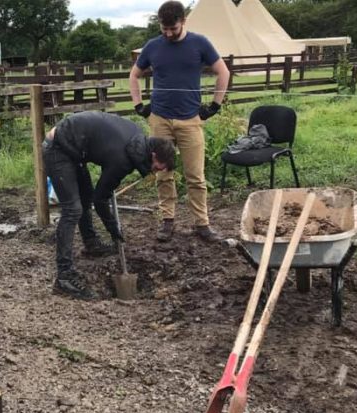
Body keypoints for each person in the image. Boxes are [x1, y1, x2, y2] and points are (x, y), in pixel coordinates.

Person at [43, 112, 176, 299]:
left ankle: (91, 244)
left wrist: (112, 226)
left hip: (74, 149)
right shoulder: (123, 159)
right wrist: (113, 228)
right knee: (73, 209)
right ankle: (64, 276)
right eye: (157, 168)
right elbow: (101, 199)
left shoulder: (137, 137)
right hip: (58, 147)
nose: (155, 172)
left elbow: (99, 194)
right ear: (153, 155)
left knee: (85, 198)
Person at [128, 0, 230, 243]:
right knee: (163, 173)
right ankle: (167, 221)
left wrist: (215, 106)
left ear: (183, 22)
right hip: (160, 119)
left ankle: (202, 224)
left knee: (196, 175)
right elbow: (134, 75)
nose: (168, 33)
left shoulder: (200, 43)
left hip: (190, 120)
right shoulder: (152, 46)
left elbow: (223, 72)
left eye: (173, 29)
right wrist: (139, 106)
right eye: (164, 29)